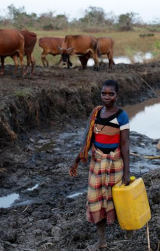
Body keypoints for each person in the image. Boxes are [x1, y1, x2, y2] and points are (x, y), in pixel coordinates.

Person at [69, 79, 130, 251]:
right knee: (95, 202)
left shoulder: (122, 116)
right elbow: (88, 140)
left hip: (115, 164)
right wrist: (76, 161)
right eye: (104, 93)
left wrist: (127, 172)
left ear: (117, 95)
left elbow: (125, 144)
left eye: (111, 94)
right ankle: (102, 241)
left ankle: (129, 228)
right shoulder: (96, 113)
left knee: (118, 202)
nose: (107, 97)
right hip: (96, 163)